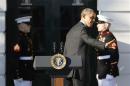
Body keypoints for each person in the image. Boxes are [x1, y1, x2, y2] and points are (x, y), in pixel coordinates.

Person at [63, 8, 116, 86]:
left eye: (94, 18)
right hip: (80, 71)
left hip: (70, 69)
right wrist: (104, 45)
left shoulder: (72, 29)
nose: (93, 20)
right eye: (91, 17)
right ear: (83, 16)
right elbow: (88, 39)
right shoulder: (82, 29)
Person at [96, 14, 119, 86]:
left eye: (100, 23)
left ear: (106, 25)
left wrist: (106, 72)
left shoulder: (109, 37)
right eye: (98, 24)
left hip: (106, 73)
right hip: (101, 71)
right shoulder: (100, 36)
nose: (97, 25)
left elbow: (114, 56)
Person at [11, 15, 34, 86]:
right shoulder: (19, 40)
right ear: (22, 26)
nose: (30, 26)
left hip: (27, 72)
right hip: (22, 73)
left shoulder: (27, 38)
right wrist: (18, 75)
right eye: (28, 25)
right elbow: (15, 57)